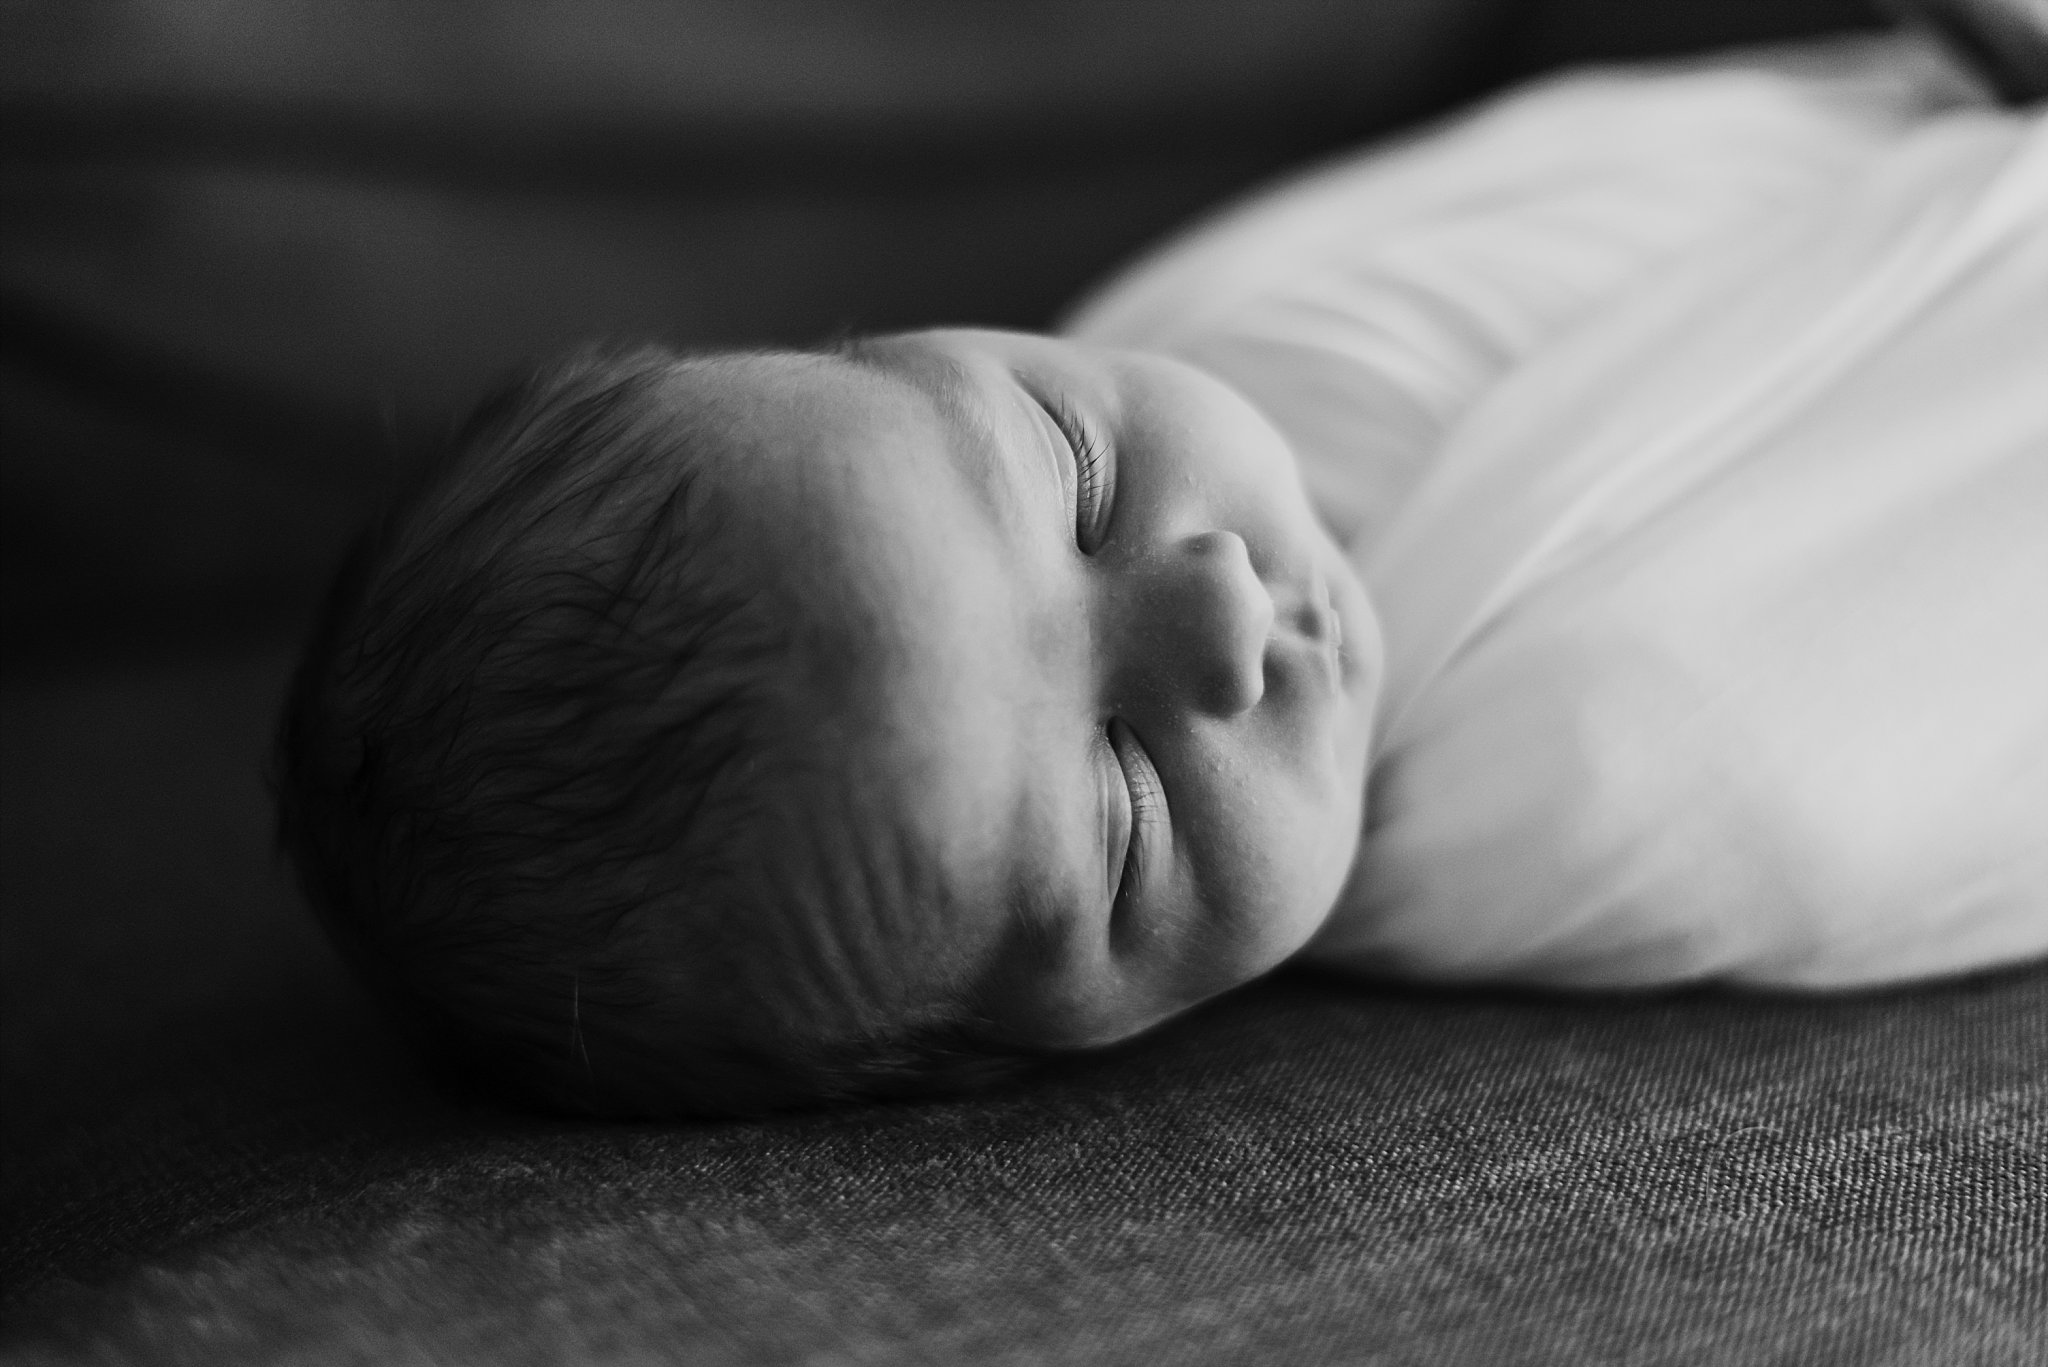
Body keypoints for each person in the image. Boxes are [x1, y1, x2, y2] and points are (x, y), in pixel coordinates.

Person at [275, 28, 2048, 1118]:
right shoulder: (1604, 767)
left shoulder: (1169, 330)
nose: (1212, 615)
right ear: (1017, 1056)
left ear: (911, 340)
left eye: (1072, 473)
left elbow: (1625, 168)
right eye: (1121, 809)